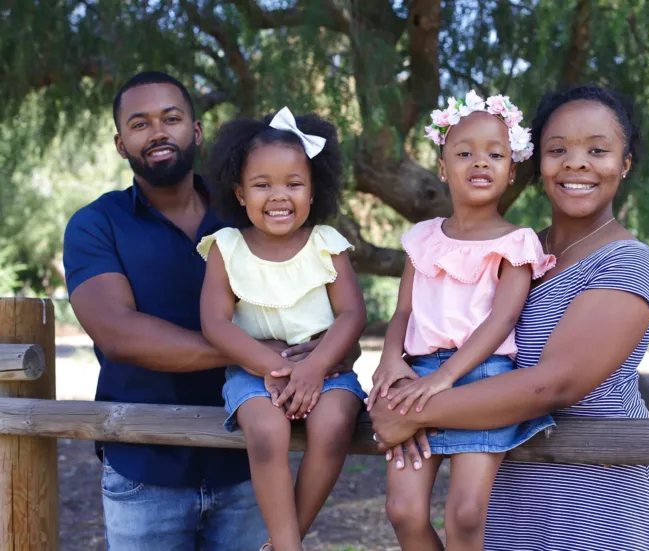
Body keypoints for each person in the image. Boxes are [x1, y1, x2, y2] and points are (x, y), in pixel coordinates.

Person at [369, 84, 649, 551]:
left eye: (598, 150)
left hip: (603, 516)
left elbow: (554, 384)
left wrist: (409, 412)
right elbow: (424, 319)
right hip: (510, 515)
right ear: (537, 163)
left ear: (626, 163)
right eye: (558, 150)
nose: (576, 163)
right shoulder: (512, 252)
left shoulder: (625, 263)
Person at [63, 72, 356, 550]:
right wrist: (266, 355)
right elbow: (117, 333)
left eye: (171, 118)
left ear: (196, 132)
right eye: (140, 124)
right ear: (120, 143)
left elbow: (324, 301)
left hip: (247, 467)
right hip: (146, 466)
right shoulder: (97, 224)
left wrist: (321, 353)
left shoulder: (250, 211)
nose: (158, 132)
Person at [367, 91, 556, 551]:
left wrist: (449, 378)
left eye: (495, 154)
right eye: (464, 152)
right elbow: (404, 312)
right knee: (403, 510)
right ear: (442, 167)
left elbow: (501, 320)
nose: (480, 162)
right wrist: (391, 359)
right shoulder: (423, 238)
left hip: (484, 377)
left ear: (512, 171)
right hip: (420, 371)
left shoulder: (517, 242)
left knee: (467, 515)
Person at [198, 108, 367, 551]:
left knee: (333, 426)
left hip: (328, 370)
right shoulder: (226, 248)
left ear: (314, 191)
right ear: (239, 192)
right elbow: (214, 324)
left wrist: (315, 368)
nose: (279, 196)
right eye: (262, 184)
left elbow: (352, 315)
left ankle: (286, 541)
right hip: (255, 373)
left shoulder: (326, 243)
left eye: (294, 183)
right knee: (268, 434)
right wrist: (277, 369)